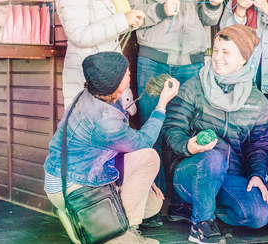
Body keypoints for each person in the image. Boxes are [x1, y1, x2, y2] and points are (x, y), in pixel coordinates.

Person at [125, 0, 224, 221]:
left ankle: (181, 204)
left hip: (194, 64)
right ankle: (151, 206)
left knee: (188, 131)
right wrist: (158, 9)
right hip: (155, 61)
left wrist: (214, 4)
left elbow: (210, 20)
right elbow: (132, 12)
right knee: (152, 132)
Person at [43, 52, 180, 244]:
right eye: (127, 73)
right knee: (148, 154)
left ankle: (99, 226)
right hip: (74, 189)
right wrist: (162, 105)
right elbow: (144, 141)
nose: (130, 73)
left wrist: (142, 178)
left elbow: (111, 149)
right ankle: (121, 232)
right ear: (116, 84)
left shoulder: (89, 95)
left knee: (153, 202)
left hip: (70, 176)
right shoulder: (104, 119)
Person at [163, 25, 268, 244]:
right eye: (215, 50)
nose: (217, 58)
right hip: (192, 170)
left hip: (231, 175)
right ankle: (201, 225)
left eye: (226, 52)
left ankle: (195, 208)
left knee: (259, 216)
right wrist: (188, 146)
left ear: (243, 58)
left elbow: (260, 147)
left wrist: (258, 176)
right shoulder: (194, 87)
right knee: (213, 158)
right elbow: (172, 128)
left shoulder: (257, 101)